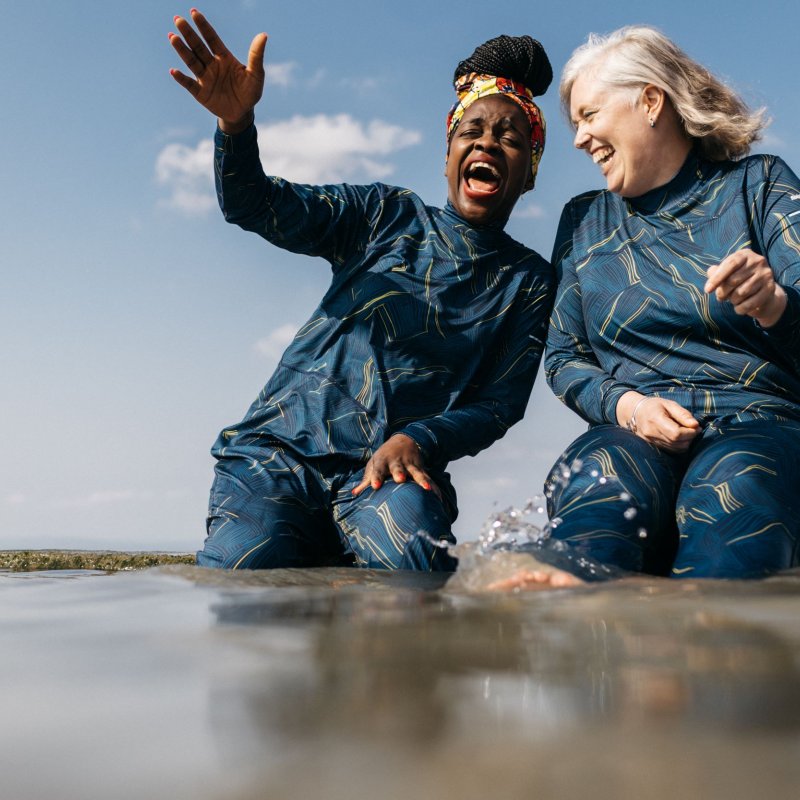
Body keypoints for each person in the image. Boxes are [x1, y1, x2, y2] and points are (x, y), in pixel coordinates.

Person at [168, 10, 555, 570]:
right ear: (448, 154)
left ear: (532, 170)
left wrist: (419, 438)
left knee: (417, 569)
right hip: (278, 455)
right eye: (471, 131)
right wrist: (236, 127)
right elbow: (255, 204)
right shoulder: (384, 215)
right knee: (241, 573)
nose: (488, 144)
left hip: (390, 472)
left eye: (511, 138)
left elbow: (500, 405)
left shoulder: (529, 282)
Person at [503, 24, 800, 589]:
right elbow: (564, 357)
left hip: (759, 427)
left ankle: (716, 645)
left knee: (736, 487)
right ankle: (563, 597)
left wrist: (774, 303)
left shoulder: (758, 186)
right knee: (601, 488)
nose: (578, 139)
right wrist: (630, 408)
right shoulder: (583, 222)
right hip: (630, 431)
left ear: (650, 101)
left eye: (589, 115)